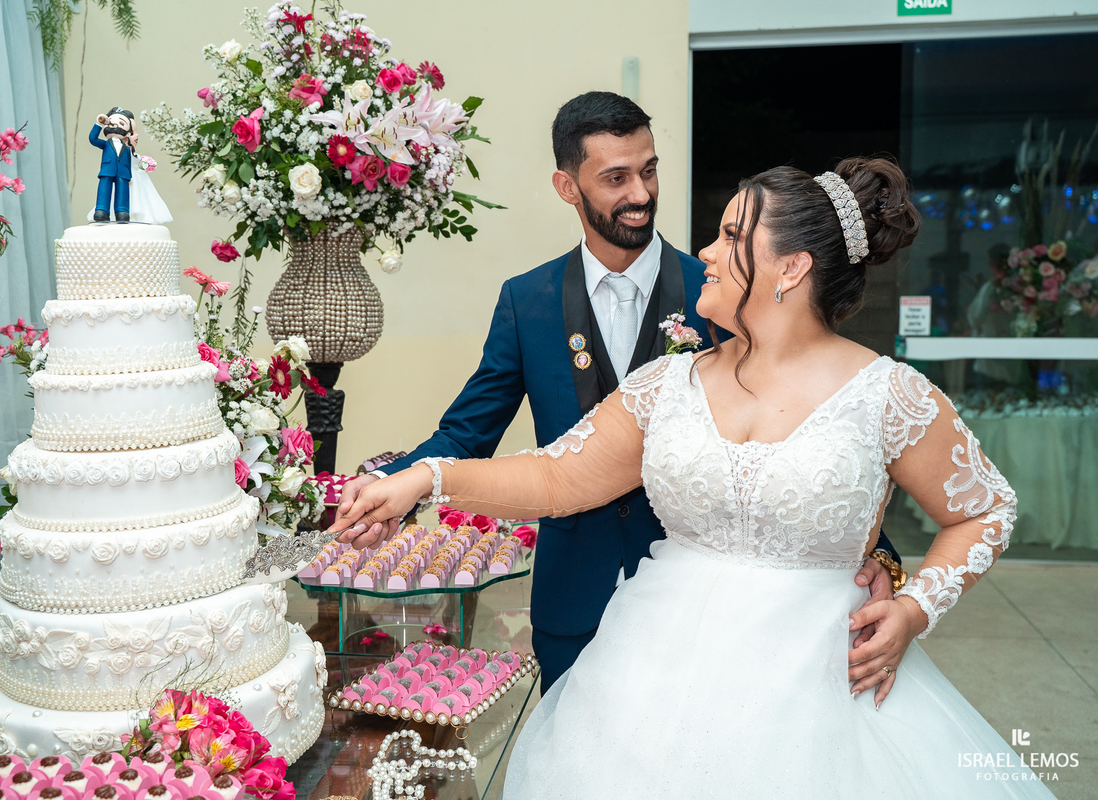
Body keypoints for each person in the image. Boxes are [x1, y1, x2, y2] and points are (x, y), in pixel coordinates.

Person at [330, 158, 1055, 798]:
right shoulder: (668, 384)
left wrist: (914, 607)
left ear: (792, 267)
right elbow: (556, 480)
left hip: (817, 694)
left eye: (733, 236)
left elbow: (985, 511)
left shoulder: (891, 396)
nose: (706, 250)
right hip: (648, 683)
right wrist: (426, 478)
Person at [336, 92, 905, 693]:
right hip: (573, 598)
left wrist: (876, 556)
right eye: (615, 177)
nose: (640, 194)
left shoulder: (721, 292)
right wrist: (388, 485)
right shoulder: (526, 301)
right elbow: (466, 432)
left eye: (649, 170)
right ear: (567, 186)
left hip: (697, 607)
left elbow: (815, 417)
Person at [89, 106, 136, 223]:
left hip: (123, 173)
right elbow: (92, 139)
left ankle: (122, 212)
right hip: (107, 169)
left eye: (121, 123)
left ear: (128, 131)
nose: (116, 125)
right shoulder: (106, 144)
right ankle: (102, 210)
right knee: (104, 189)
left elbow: (129, 162)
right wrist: (98, 124)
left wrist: (129, 175)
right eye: (112, 122)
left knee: (123, 192)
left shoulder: (126, 148)